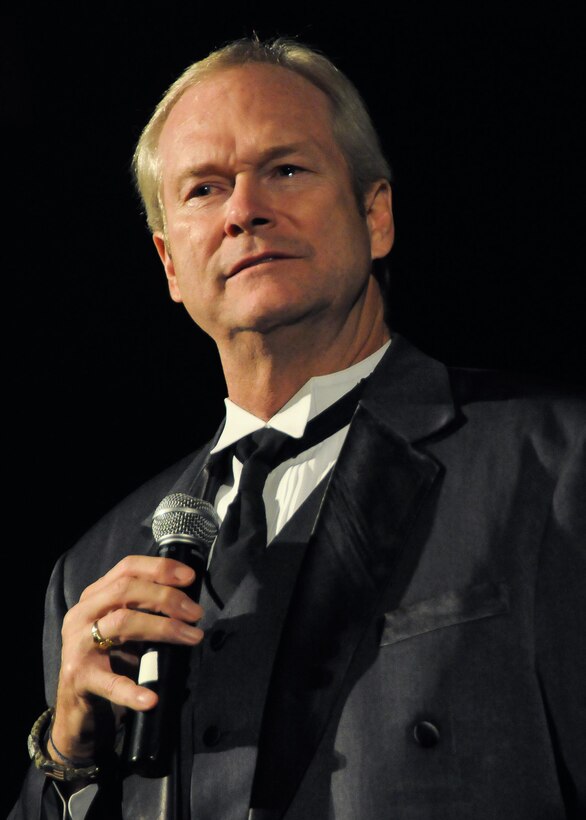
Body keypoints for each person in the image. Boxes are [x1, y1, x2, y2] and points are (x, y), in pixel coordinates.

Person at [11, 36, 585, 820]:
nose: (244, 210)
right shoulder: (94, 571)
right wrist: (70, 759)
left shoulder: (553, 463)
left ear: (375, 215)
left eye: (284, 170)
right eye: (205, 189)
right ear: (170, 265)